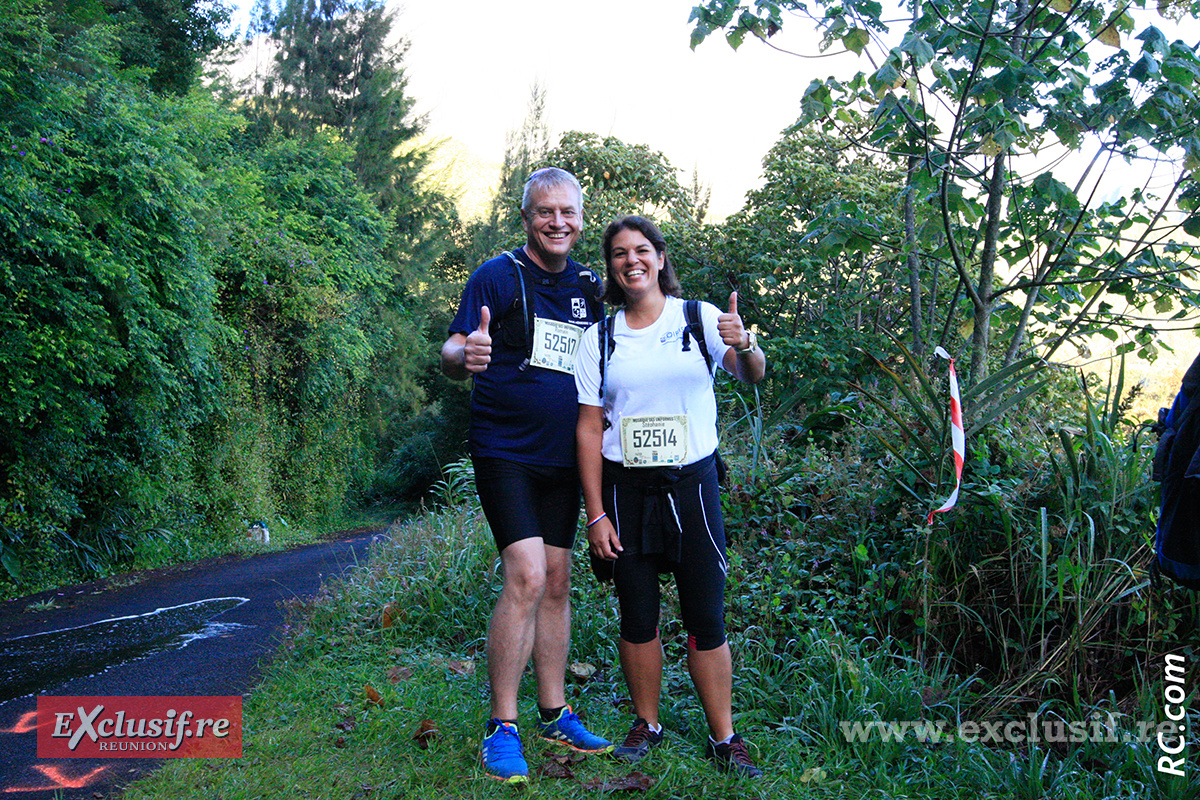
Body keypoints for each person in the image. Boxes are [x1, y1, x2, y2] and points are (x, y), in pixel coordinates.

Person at [574, 215, 766, 777]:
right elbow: (588, 427)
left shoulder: (698, 318)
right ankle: (646, 722)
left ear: (659, 258)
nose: (630, 261)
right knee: (637, 614)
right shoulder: (600, 338)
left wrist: (747, 342)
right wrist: (596, 514)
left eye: (641, 250)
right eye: (618, 254)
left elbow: (751, 373)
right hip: (625, 489)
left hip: (693, 484)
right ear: (610, 266)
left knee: (706, 613)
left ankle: (724, 736)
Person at [441, 167, 612, 783]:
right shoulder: (497, 275)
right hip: (505, 451)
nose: (558, 222)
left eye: (568, 212)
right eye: (545, 212)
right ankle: (501, 728)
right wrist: (467, 355)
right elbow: (453, 350)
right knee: (527, 574)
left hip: (565, 459)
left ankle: (553, 710)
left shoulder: (591, 286)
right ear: (526, 218)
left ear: (581, 219)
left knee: (560, 581)